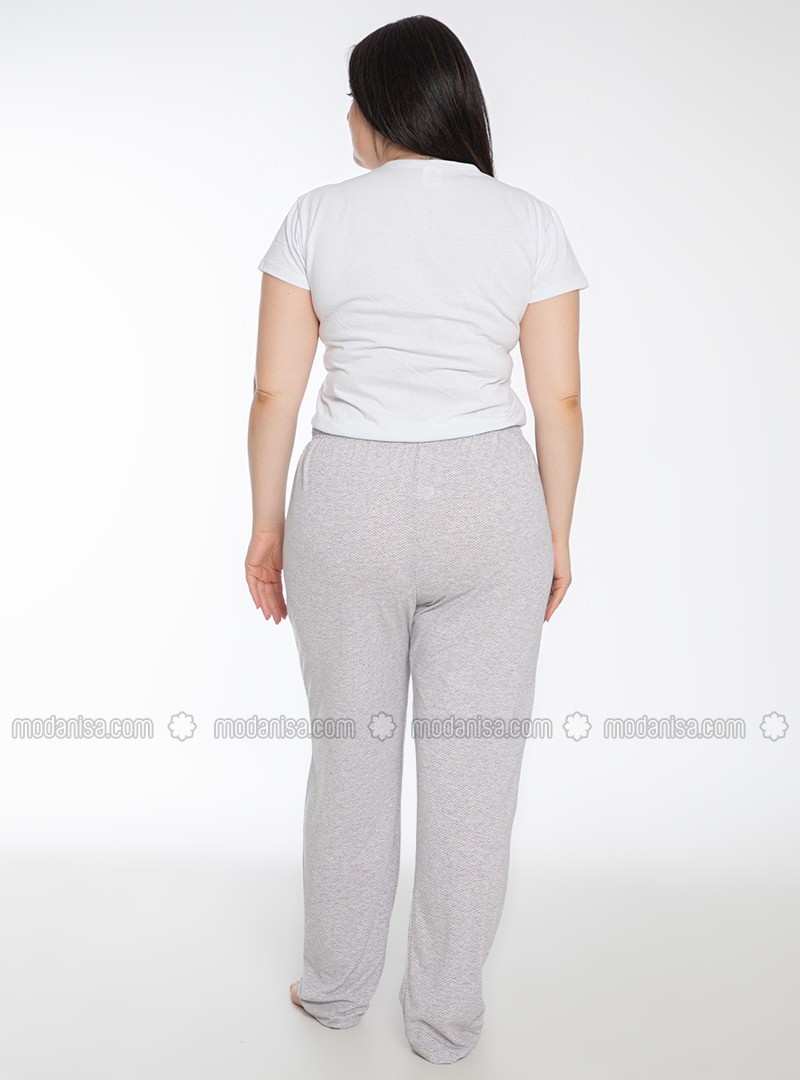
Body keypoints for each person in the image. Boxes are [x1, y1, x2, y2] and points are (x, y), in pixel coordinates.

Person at [246, 14, 588, 1065]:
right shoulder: (527, 221)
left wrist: (266, 528)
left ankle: (336, 991)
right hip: (490, 500)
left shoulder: (315, 217)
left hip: (348, 500)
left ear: (384, 108)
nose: (347, 118)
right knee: (475, 778)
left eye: (354, 100)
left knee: (350, 761)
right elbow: (560, 401)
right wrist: (555, 534)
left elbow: (274, 393)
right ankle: (443, 1019)